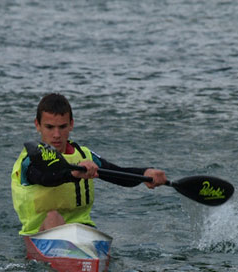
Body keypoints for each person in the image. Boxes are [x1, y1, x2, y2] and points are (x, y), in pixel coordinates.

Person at [11, 93, 167, 235]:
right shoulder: (31, 159)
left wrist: (145, 173)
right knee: (53, 216)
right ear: (37, 125)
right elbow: (45, 177)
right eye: (50, 127)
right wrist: (73, 174)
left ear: (71, 124)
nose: (56, 135)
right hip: (39, 234)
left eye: (62, 127)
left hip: (83, 232)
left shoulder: (84, 155)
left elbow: (117, 174)